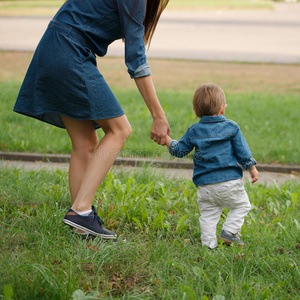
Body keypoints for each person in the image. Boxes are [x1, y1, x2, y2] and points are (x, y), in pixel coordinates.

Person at [13, 0, 170, 240]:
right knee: (120, 130)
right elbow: (136, 56)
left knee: (85, 141)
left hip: (56, 45)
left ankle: (81, 223)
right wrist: (158, 116)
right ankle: (81, 210)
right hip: (68, 48)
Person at [164, 83, 259, 249]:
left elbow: (179, 151)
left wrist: (167, 140)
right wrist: (251, 167)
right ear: (223, 109)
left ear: (196, 111)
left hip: (205, 186)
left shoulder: (194, 130)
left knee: (208, 215)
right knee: (242, 205)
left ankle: (208, 246)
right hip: (229, 182)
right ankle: (229, 232)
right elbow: (242, 151)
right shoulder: (231, 127)